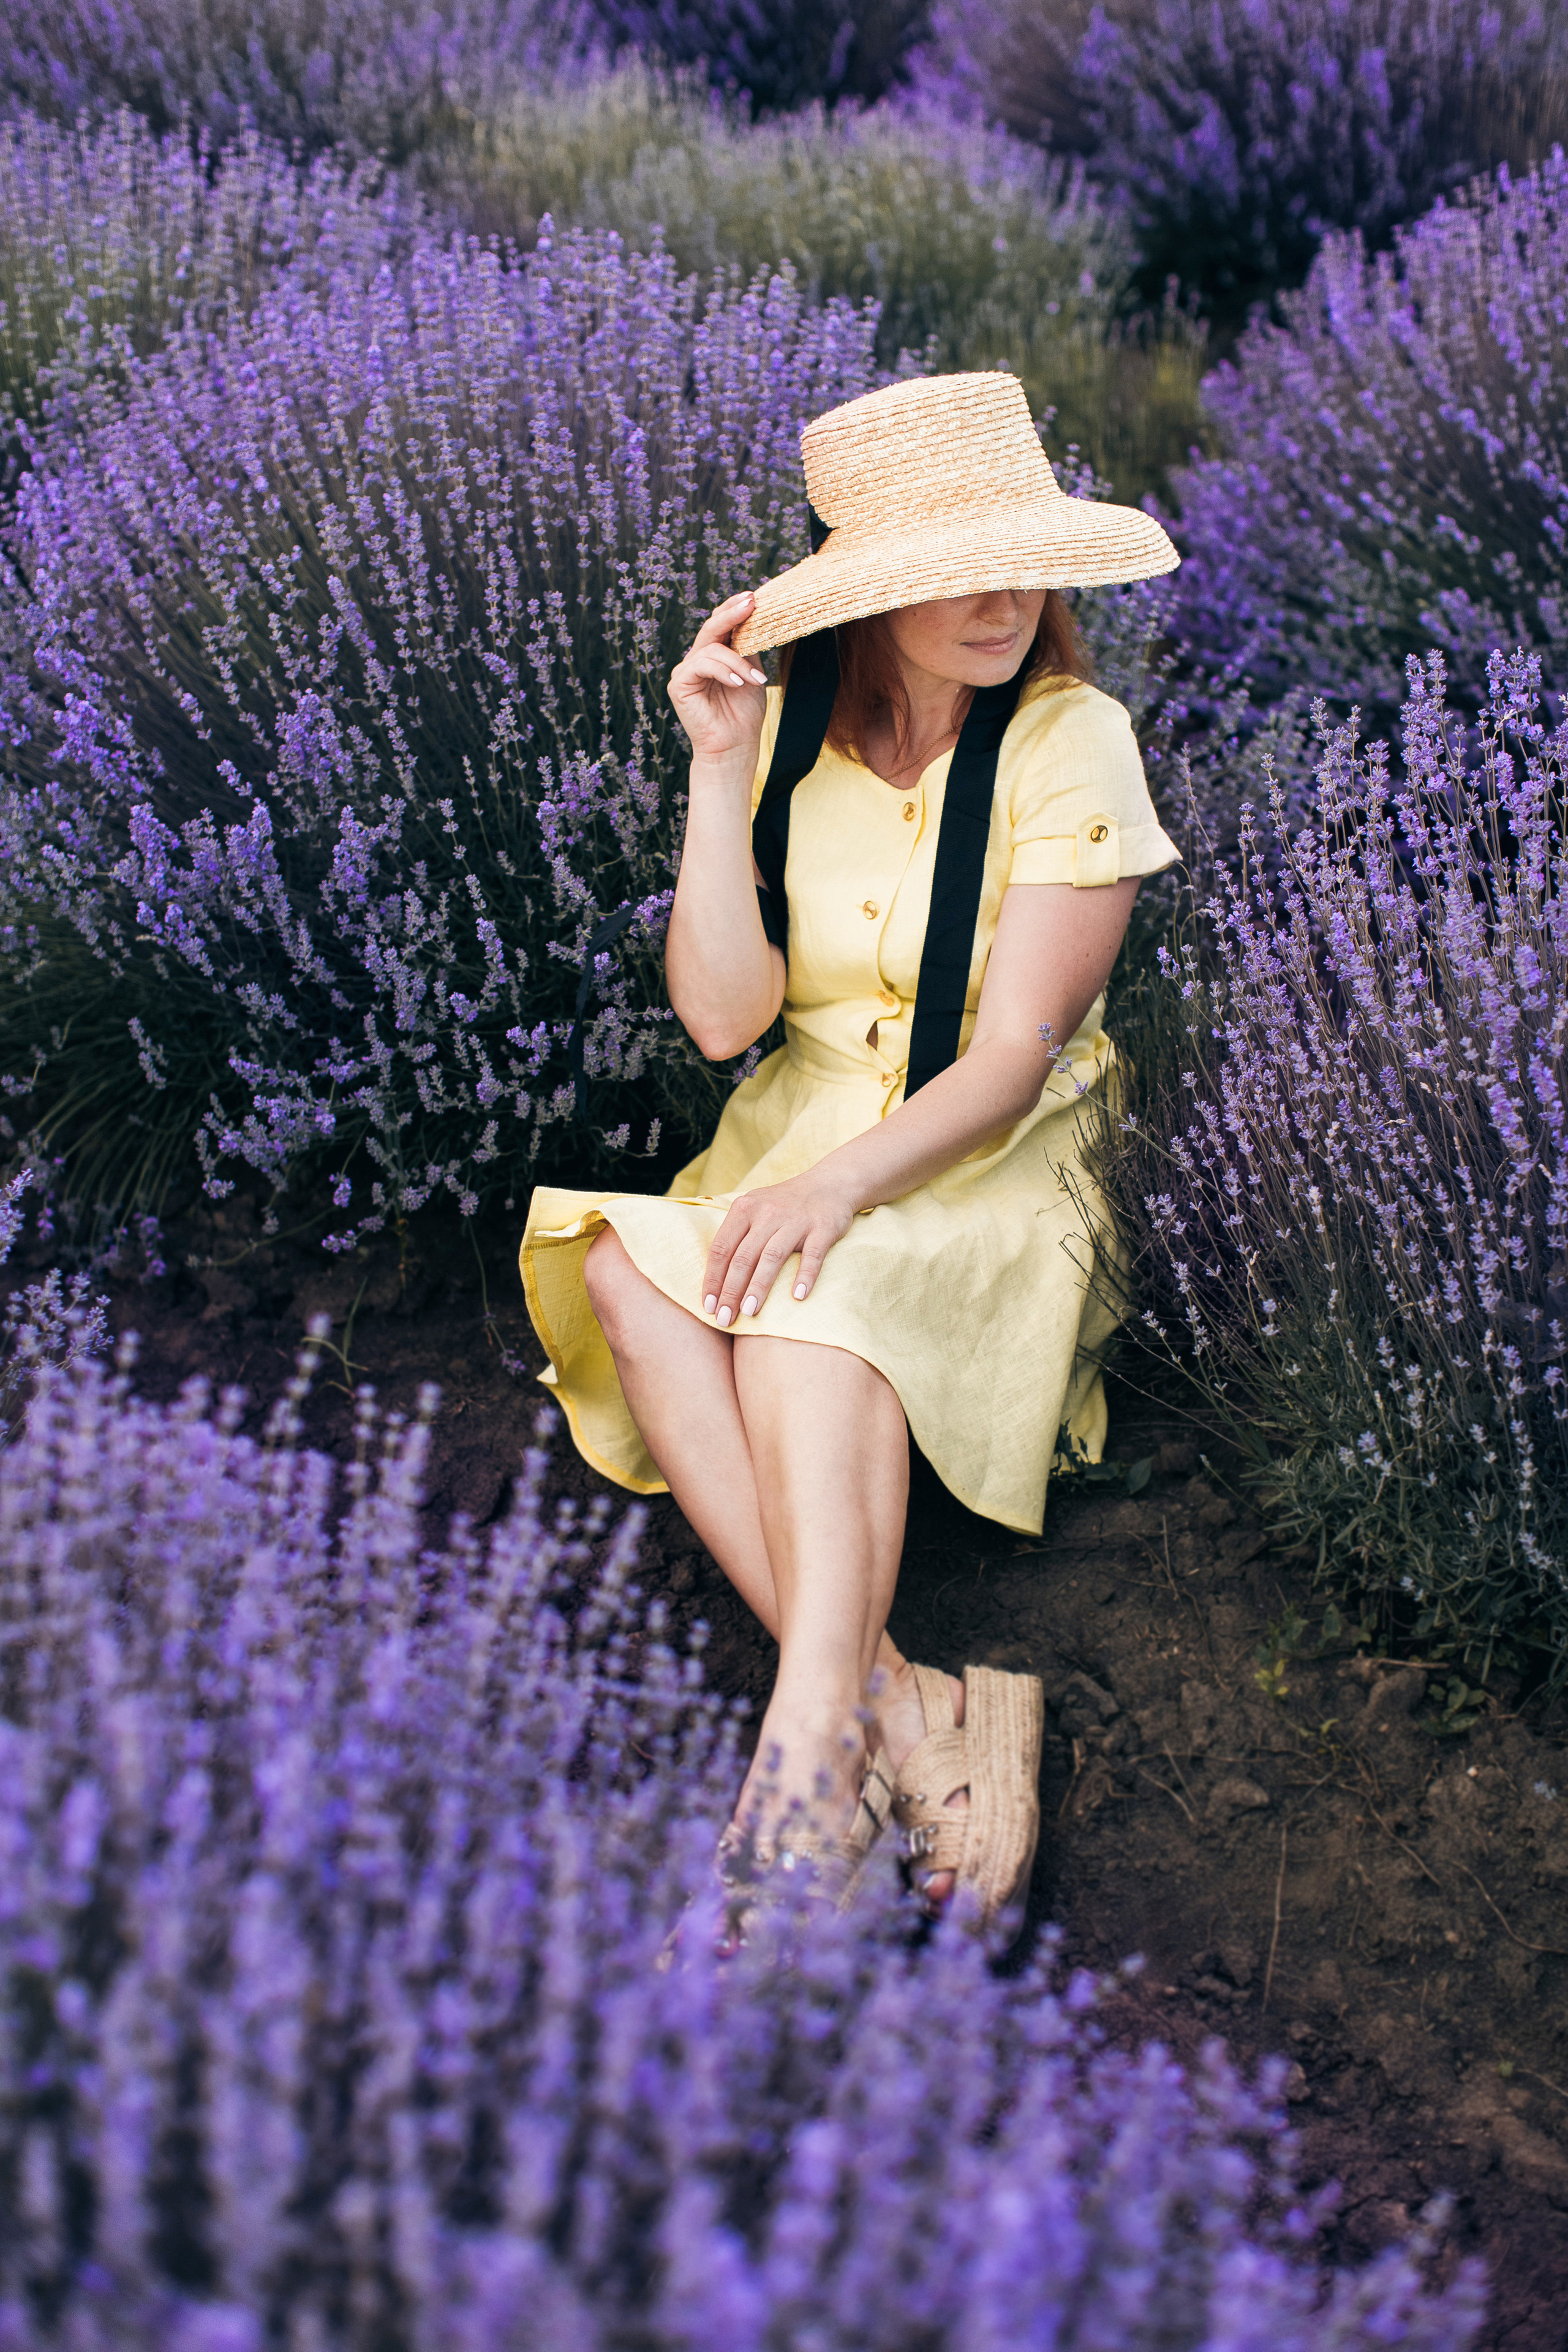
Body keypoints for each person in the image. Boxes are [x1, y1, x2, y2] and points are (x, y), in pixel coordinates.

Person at [521, 372, 1180, 1927]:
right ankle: (903, 1711)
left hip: (993, 1153)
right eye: (955, 568)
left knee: (810, 1292)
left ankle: (800, 1773)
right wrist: (711, 767)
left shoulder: (1071, 739)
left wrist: (832, 1191)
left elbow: (1014, 1065)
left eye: (1019, 556)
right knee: (631, 1274)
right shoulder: (791, 731)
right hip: (806, 1110)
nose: (1004, 597)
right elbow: (718, 1017)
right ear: (868, 596)